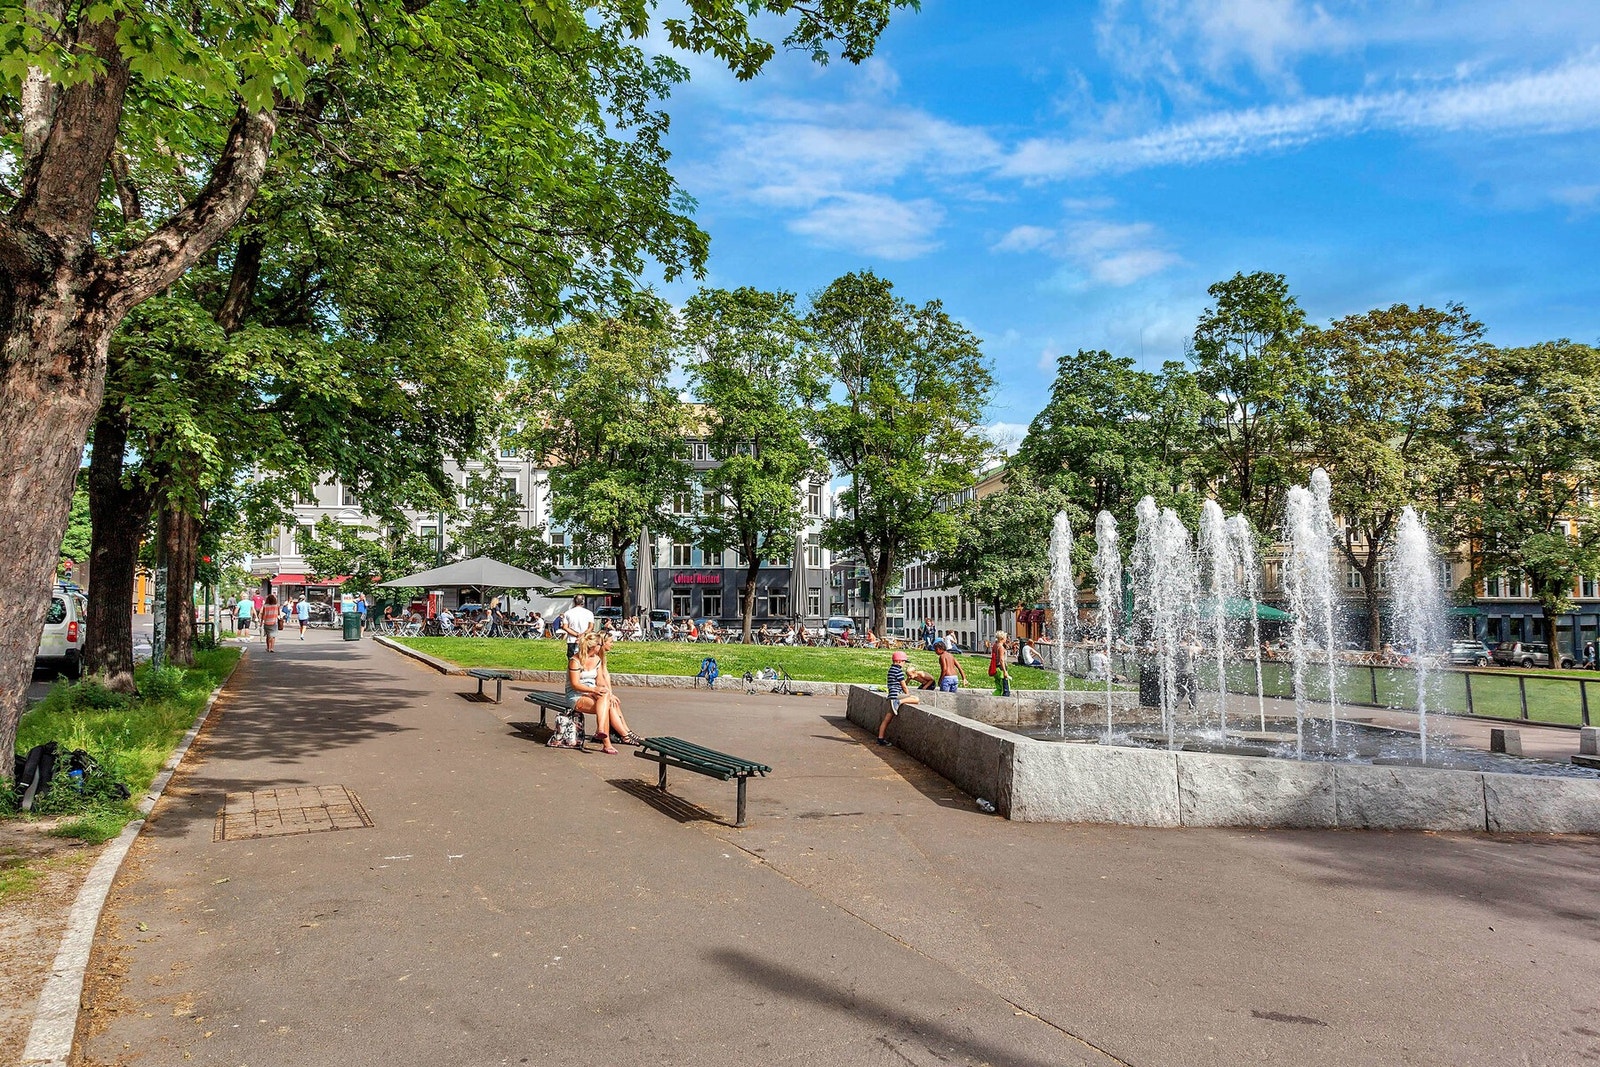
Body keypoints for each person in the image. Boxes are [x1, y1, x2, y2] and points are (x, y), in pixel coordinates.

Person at [561, 632, 620, 753]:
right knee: (606, 706)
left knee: (605, 698)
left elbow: (599, 681)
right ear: (594, 646)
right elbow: (575, 684)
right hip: (576, 695)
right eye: (600, 644)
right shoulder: (575, 660)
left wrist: (607, 692)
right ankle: (606, 742)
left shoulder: (597, 659)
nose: (601, 647)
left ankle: (601, 730)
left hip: (592, 692)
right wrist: (593, 690)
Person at [876, 650, 920, 746]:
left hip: (891, 695)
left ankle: (880, 738)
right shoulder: (899, 671)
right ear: (899, 661)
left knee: (887, 719)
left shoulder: (891, 670)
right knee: (916, 699)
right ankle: (899, 702)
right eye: (904, 662)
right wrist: (907, 694)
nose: (904, 664)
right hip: (897, 696)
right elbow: (903, 685)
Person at [562, 595, 593, 659]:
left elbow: (565, 627)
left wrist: (576, 634)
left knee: (572, 660)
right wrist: (582, 635)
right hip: (585, 639)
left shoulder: (567, 613)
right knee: (585, 658)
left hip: (572, 639)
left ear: (574, 601)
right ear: (583, 602)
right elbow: (591, 627)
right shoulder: (589, 613)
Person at [989, 630, 1012, 696]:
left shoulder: (995, 645)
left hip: (996, 668)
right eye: (1005, 637)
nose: (1006, 639)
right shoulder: (1001, 647)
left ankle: (995, 698)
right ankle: (1005, 702)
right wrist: (1005, 671)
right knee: (1005, 688)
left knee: (998, 687)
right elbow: (1001, 660)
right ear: (1002, 638)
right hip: (1001, 668)